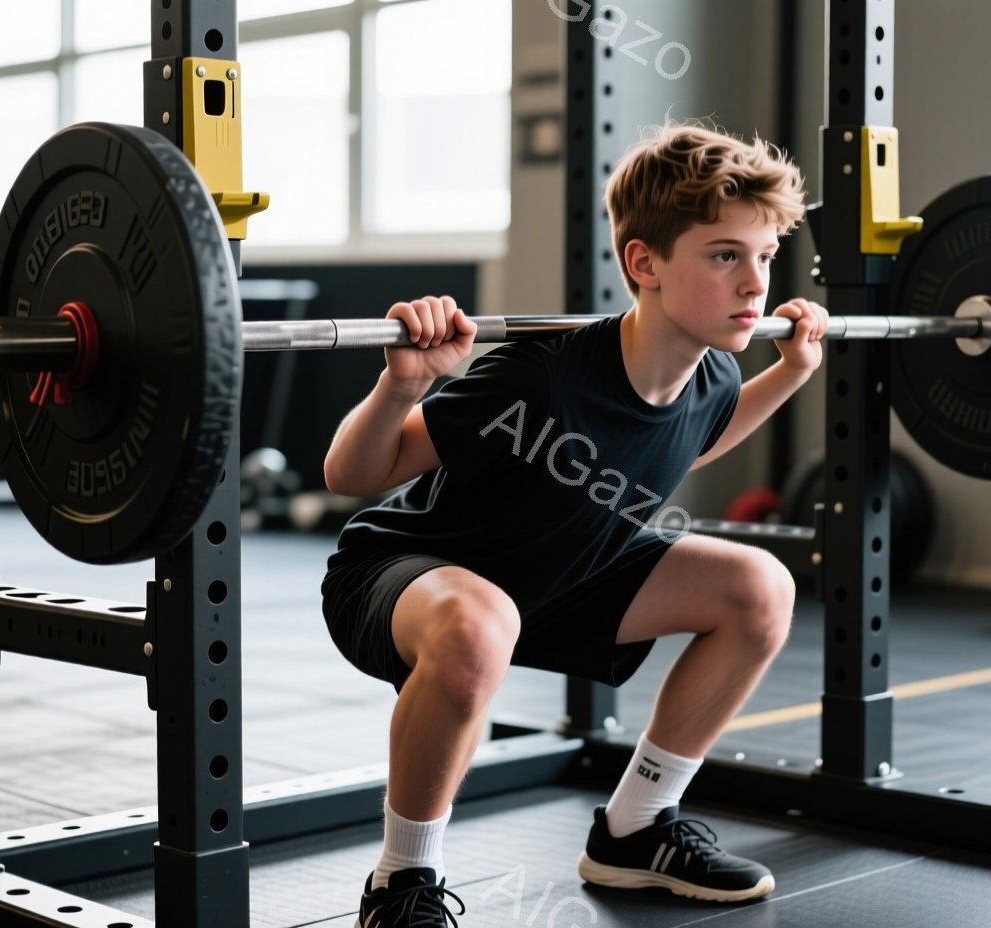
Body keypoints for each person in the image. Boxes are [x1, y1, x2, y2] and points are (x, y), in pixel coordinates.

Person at [320, 121, 826, 928]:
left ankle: (634, 831)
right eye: (726, 255)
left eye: (764, 257)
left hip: (559, 584)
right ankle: (401, 884)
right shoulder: (540, 375)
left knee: (758, 588)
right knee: (482, 624)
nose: (754, 283)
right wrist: (401, 387)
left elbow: (695, 443)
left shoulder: (711, 375)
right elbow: (353, 475)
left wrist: (791, 371)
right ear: (644, 262)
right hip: (408, 577)